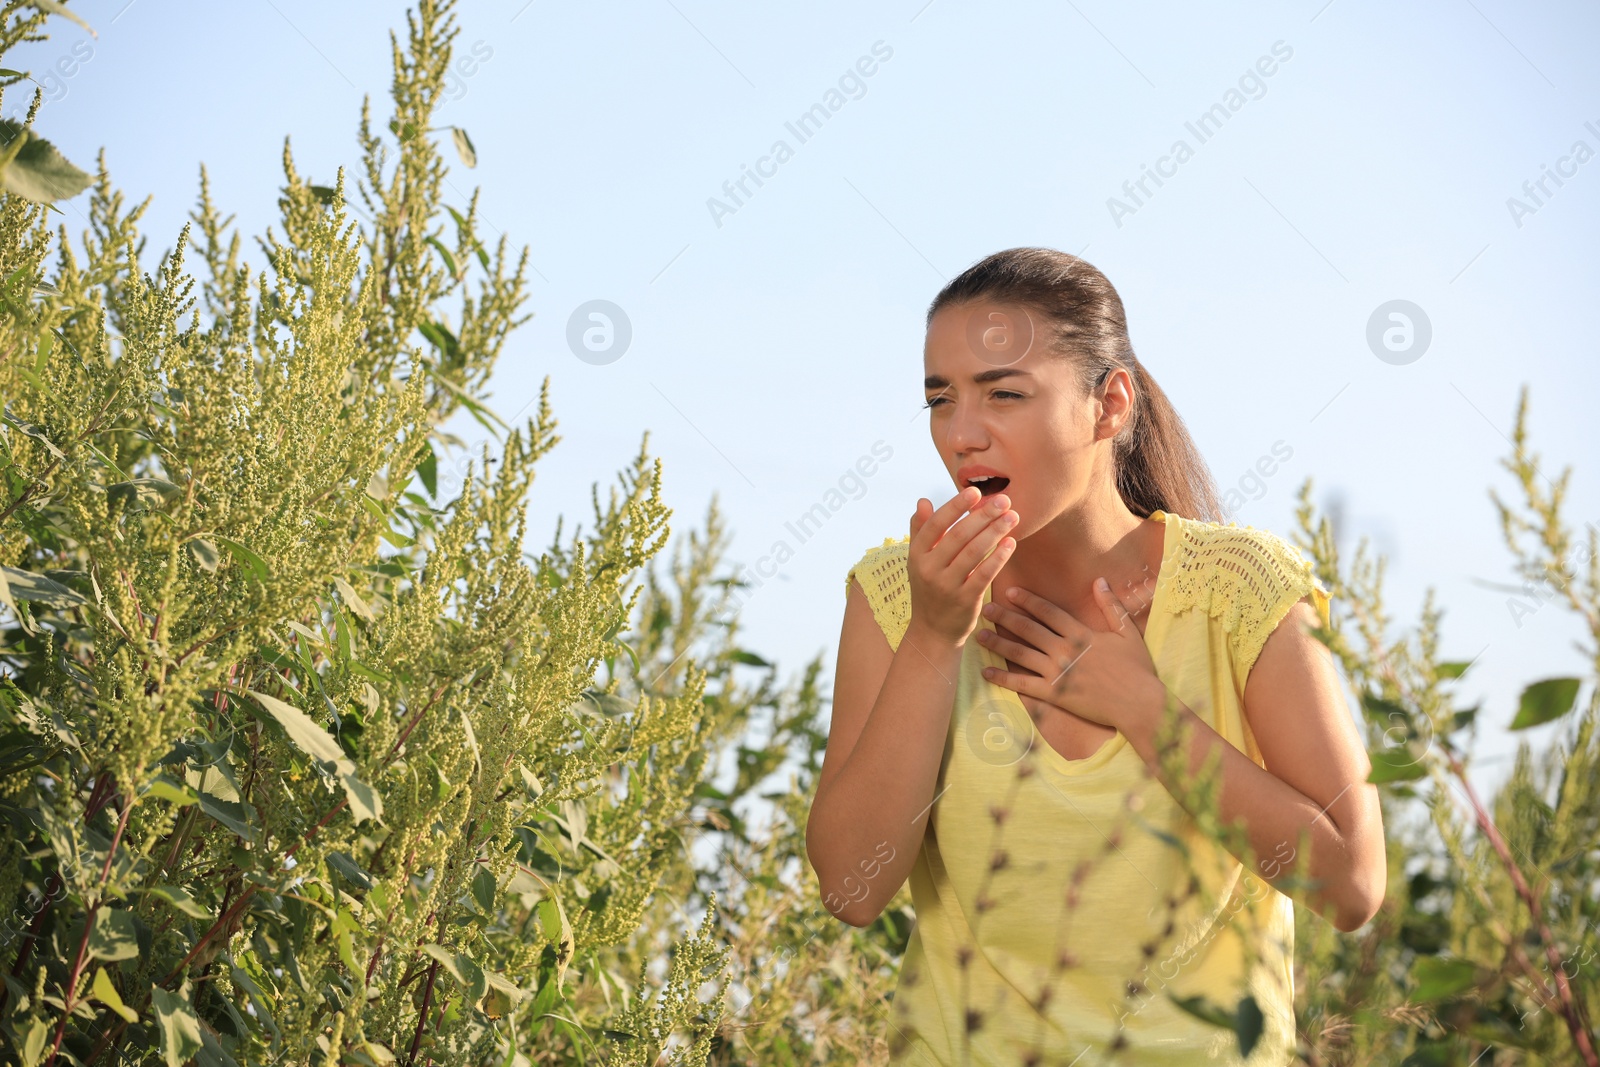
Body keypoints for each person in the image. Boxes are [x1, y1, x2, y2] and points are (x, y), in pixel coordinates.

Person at [804, 248, 1387, 1066]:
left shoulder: (1237, 589)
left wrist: (1145, 710)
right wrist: (935, 637)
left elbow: (1351, 885)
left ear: (1108, 404)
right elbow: (852, 890)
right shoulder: (898, 597)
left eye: (1004, 393)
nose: (963, 435)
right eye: (941, 399)